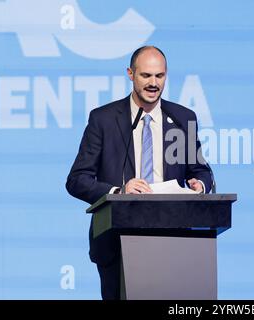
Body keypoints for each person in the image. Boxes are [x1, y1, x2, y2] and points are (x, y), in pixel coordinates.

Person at [66, 46, 213, 300]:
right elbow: (77, 180)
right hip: (117, 241)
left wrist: (200, 184)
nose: (153, 83)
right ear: (130, 74)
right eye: (146, 76)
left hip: (174, 239)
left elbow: (201, 170)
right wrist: (118, 192)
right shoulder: (104, 119)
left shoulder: (182, 118)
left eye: (160, 76)